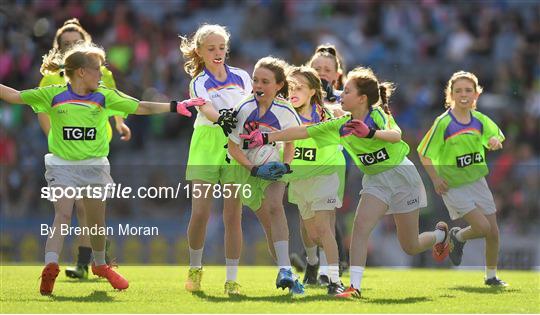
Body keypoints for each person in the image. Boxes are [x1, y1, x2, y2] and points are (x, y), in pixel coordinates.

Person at [0, 42, 205, 295]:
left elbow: (141, 106)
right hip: (62, 165)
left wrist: (175, 106)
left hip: (94, 167)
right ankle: (50, 266)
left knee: (96, 224)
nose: (102, 73)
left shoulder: (104, 96)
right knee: (62, 215)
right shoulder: (52, 94)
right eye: (97, 69)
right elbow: (14, 96)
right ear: (81, 73)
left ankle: (100, 265)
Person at [240, 66, 450, 298]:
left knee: (410, 245)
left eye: (346, 92)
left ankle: (441, 236)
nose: (341, 95)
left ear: (361, 99)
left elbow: (396, 135)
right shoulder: (339, 124)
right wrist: (266, 137)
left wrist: (369, 132)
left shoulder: (378, 114)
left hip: (401, 176)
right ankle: (354, 288)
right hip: (375, 181)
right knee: (359, 229)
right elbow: (302, 133)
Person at [38, 17, 129, 280]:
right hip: (65, 152)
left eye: (75, 42)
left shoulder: (100, 71)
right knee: (72, 208)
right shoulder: (51, 79)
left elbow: (114, 101)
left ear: (86, 43)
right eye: (64, 44)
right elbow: (43, 112)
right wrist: (56, 141)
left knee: (86, 209)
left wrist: (120, 124)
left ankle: (86, 260)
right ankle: (88, 260)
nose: (70, 47)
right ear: (58, 48)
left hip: (98, 148)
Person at [179, 24, 252, 295]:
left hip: (234, 143)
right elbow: (206, 107)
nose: (218, 52)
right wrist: (221, 117)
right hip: (206, 144)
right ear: (199, 52)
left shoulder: (243, 76)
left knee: (233, 214)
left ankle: (231, 278)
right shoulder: (199, 80)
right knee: (200, 213)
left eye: (221, 47)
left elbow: (251, 106)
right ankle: (195, 267)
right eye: (211, 48)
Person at [418, 71, 507, 287]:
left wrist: (495, 141)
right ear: (450, 95)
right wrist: (435, 179)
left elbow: (495, 137)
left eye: (468, 90)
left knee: (493, 232)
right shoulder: (443, 122)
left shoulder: (480, 119)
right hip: (453, 186)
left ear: (476, 95)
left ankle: (491, 277)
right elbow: (423, 153)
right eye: (458, 90)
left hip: (478, 182)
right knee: (483, 228)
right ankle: (457, 237)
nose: (463, 94)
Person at [228, 56, 304, 295]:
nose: (258, 85)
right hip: (247, 170)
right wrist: (253, 169)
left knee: (275, 206)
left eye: (265, 81)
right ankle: (289, 273)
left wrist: (286, 165)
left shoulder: (285, 111)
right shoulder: (243, 108)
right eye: (255, 80)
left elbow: (291, 142)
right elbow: (233, 148)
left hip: (274, 168)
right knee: (269, 226)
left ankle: (284, 270)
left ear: (279, 85)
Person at [284, 66, 347, 296]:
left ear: (312, 91)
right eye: (290, 87)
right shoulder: (284, 115)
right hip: (300, 180)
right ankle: (313, 263)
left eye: (299, 87)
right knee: (314, 235)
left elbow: (349, 115)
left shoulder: (329, 114)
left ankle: (334, 280)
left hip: (326, 176)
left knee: (323, 227)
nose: (294, 91)